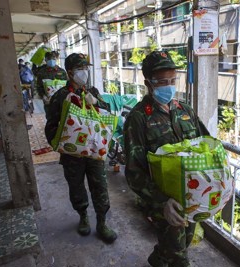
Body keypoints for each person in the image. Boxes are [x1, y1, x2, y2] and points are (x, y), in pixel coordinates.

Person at [123, 51, 209, 267]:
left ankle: (158, 258)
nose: (169, 87)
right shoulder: (139, 118)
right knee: (179, 256)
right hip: (163, 202)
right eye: (163, 82)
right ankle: (166, 257)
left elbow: (207, 148)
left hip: (191, 196)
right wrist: (161, 202)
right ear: (149, 84)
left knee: (185, 240)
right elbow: (134, 172)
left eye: (173, 80)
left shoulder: (185, 111)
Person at [44, 53, 117, 243]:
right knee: (76, 186)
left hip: (94, 152)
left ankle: (102, 222)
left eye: (86, 68)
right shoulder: (60, 96)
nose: (84, 72)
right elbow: (51, 124)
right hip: (72, 154)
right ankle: (83, 215)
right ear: (70, 72)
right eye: (80, 69)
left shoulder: (92, 91)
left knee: (100, 186)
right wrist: (58, 144)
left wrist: (96, 102)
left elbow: (107, 112)